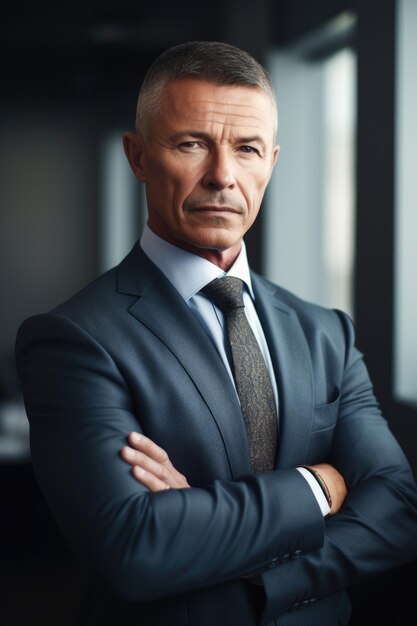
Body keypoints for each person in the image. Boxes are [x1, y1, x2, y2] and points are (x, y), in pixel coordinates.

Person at [15, 41, 417, 626]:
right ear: (138, 156)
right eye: (192, 144)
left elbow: (400, 511)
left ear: (271, 163)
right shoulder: (74, 339)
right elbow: (137, 549)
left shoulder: (325, 331)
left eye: (247, 149)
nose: (223, 176)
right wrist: (317, 486)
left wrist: (254, 566)